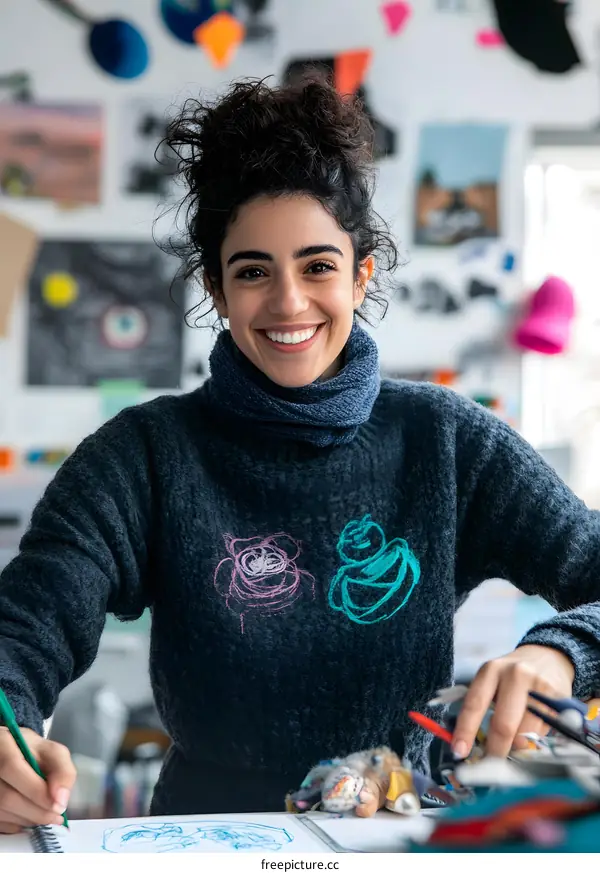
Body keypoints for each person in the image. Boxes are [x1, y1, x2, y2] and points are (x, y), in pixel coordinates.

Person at [0, 76, 599, 834]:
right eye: (253, 271)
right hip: (203, 841)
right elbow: (27, 621)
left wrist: (563, 652)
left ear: (362, 273)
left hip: (396, 831)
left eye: (318, 265)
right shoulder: (142, 456)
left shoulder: (448, 440)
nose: (288, 302)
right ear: (217, 288)